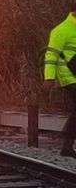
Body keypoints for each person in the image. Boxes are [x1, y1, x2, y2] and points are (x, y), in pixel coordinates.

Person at [44, 11, 76, 158]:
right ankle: (67, 144)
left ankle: (67, 144)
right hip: (69, 76)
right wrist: (49, 78)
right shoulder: (60, 31)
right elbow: (51, 55)